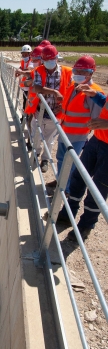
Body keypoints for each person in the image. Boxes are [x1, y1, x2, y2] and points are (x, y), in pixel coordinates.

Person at [46, 56, 105, 192]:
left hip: (78, 135)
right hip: (65, 130)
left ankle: (65, 189)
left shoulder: (94, 92)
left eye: (83, 72)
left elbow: (96, 118)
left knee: (69, 162)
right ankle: (60, 181)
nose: (78, 74)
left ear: (91, 73)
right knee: (61, 158)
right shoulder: (74, 86)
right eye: (76, 71)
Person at [57, 90, 108, 242]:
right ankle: (68, 212)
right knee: (78, 177)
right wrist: (97, 97)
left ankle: (86, 225)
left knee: (98, 188)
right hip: (97, 140)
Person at [31, 45, 73, 172]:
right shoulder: (39, 70)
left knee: (49, 140)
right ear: (43, 60)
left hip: (56, 113)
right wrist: (54, 92)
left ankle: (45, 160)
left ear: (57, 59)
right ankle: (35, 154)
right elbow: (36, 88)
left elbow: (70, 91)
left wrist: (63, 105)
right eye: (46, 60)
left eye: (52, 59)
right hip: (39, 110)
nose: (49, 63)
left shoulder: (67, 72)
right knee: (36, 135)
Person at [15, 45, 33, 109]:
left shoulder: (32, 61)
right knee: (25, 100)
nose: (24, 56)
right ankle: (24, 117)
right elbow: (22, 67)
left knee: (28, 102)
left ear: (29, 54)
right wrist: (19, 70)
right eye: (23, 54)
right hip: (25, 85)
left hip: (30, 85)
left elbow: (29, 70)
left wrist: (19, 71)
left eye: (26, 54)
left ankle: (25, 117)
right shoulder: (23, 61)